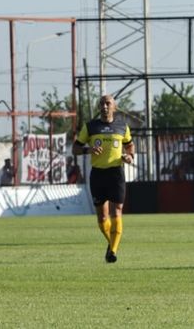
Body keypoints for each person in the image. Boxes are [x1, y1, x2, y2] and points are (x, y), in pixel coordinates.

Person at [72, 94, 135, 263]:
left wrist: (129, 157)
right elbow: (75, 149)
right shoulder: (91, 127)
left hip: (116, 174)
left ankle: (113, 251)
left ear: (114, 107)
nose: (104, 106)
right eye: (101, 104)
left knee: (117, 211)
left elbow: (129, 146)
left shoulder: (122, 126)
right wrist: (88, 150)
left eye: (108, 103)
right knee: (102, 218)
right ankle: (111, 242)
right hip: (98, 174)